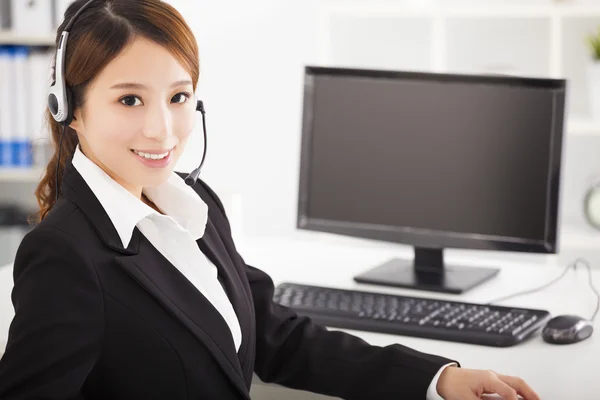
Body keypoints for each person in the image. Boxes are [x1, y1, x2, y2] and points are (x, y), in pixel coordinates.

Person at [0, 1, 540, 399]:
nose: (162, 129)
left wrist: (438, 378)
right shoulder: (64, 255)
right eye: (129, 99)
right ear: (68, 105)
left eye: (179, 97)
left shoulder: (190, 203)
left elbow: (277, 336)